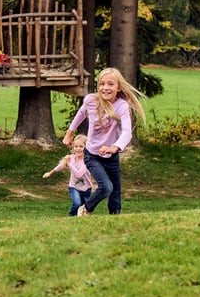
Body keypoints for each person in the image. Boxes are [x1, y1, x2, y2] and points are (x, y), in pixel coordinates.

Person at [62, 67, 146, 216]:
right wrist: (69, 133)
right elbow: (81, 114)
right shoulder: (91, 101)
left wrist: (115, 147)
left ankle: (115, 217)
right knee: (106, 187)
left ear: (118, 87)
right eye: (102, 84)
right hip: (92, 154)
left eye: (110, 84)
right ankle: (86, 209)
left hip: (111, 156)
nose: (105, 88)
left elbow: (127, 132)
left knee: (115, 191)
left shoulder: (121, 106)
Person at [42, 134, 94, 216]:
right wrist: (50, 173)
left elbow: (79, 174)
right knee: (77, 203)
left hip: (86, 189)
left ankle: (80, 220)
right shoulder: (71, 158)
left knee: (85, 208)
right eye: (76, 146)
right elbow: (61, 166)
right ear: (73, 148)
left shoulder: (87, 160)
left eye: (81, 146)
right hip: (74, 187)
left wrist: (69, 164)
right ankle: (71, 217)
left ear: (86, 148)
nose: (78, 149)